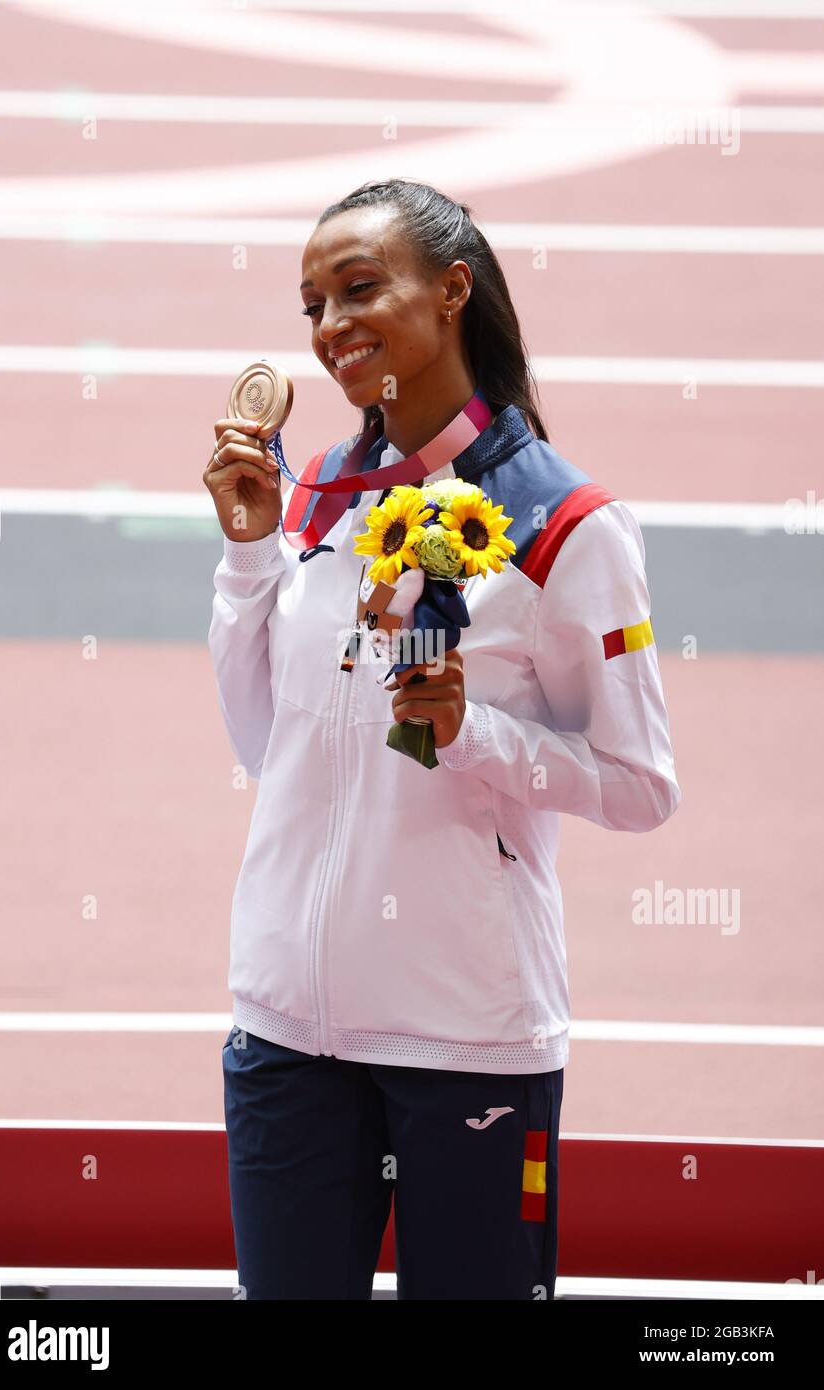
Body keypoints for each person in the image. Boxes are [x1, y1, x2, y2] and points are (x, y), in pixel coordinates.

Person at [203, 178, 681, 1301]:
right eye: (311, 305)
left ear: (452, 290)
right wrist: (246, 557)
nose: (329, 330)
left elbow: (640, 783)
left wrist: (473, 736)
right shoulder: (317, 490)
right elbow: (263, 742)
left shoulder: (569, 524)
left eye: (359, 289)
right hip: (284, 1030)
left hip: (465, 1037)